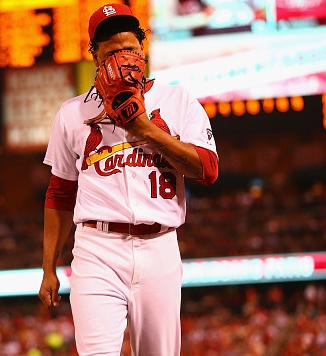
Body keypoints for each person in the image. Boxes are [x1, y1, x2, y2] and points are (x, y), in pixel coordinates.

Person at [37, 3, 219, 355]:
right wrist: (48, 268)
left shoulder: (177, 100)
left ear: (142, 49)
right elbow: (59, 193)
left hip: (160, 245)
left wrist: (144, 129)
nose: (123, 56)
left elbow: (208, 170)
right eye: (112, 50)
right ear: (96, 56)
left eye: (129, 47)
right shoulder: (73, 113)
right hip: (97, 248)